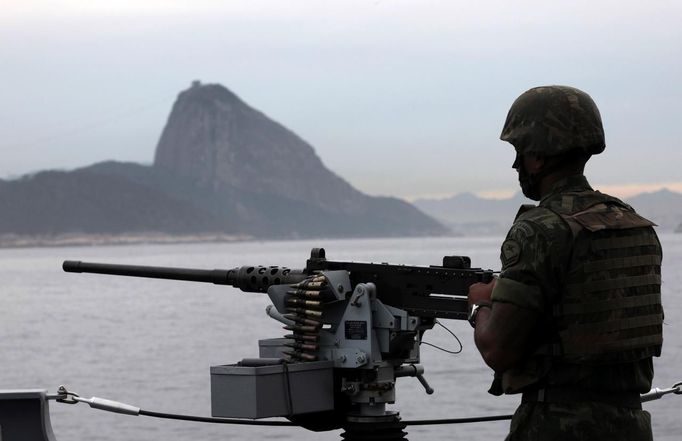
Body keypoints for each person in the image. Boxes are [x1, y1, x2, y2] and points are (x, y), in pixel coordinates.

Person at [467, 85, 663, 441]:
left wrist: (481, 304)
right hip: (631, 425)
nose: (515, 164)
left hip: (556, 426)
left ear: (539, 155)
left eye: (519, 151)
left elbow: (498, 349)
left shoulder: (538, 229)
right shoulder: (633, 223)